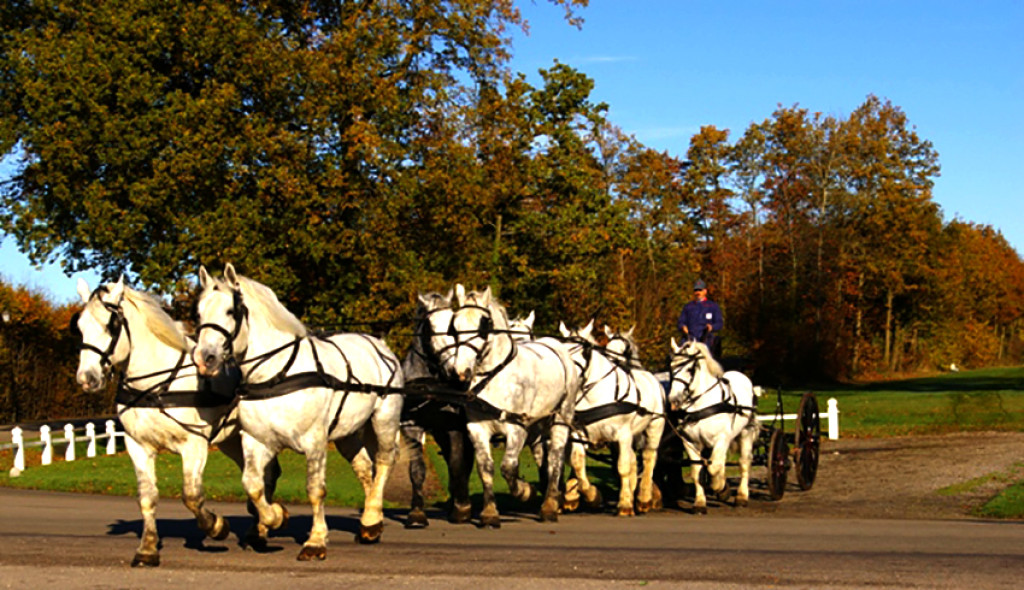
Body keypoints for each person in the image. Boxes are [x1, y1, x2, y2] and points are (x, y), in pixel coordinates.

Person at [677, 279, 724, 359]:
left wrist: (712, 327)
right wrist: (683, 326)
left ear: (705, 291)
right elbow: (681, 321)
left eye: (700, 290)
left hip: (706, 340)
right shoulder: (688, 307)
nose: (698, 292)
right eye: (696, 290)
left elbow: (719, 323)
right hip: (690, 339)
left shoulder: (713, 306)